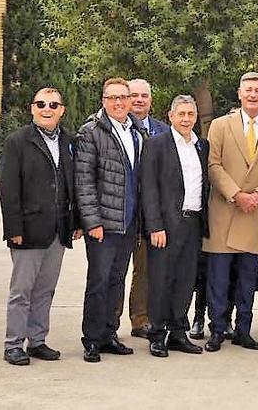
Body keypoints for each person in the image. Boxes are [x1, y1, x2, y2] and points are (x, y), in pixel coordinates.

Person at [203, 72, 258, 352]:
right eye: (248, 90)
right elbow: (213, 165)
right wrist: (236, 195)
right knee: (218, 278)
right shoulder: (219, 126)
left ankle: (244, 330)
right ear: (239, 93)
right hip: (224, 211)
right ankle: (216, 329)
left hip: (256, 212)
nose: (252, 95)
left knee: (248, 278)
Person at [0, 87, 81, 365]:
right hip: (28, 230)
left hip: (58, 230)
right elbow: (9, 190)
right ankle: (13, 344)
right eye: (41, 104)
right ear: (32, 108)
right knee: (21, 291)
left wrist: (76, 222)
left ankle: (37, 340)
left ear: (62, 110)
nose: (47, 109)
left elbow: (75, 185)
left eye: (53, 104)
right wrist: (14, 229)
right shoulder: (17, 142)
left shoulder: (70, 141)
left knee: (45, 290)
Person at [75, 77, 148, 362]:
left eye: (123, 97)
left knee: (117, 280)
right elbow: (84, 182)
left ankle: (109, 334)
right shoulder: (91, 132)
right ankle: (92, 339)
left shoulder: (137, 132)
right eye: (112, 98)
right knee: (98, 281)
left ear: (130, 100)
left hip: (128, 223)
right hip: (103, 224)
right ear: (104, 101)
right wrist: (92, 221)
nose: (118, 103)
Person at [139, 95, 209, 357]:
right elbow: (148, 188)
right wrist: (154, 225)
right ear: (170, 116)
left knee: (185, 280)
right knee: (161, 280)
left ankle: (179, 332)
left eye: (190, 114)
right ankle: (157, 333)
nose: (186, 119)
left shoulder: (201, 146)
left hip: (193, 222)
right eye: (181, 114)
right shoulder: (156, 145)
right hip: (166, 225)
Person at [121, 78, 169, 340]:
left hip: (150, 214)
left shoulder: (163, 131)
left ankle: (140, 319)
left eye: (144, 96)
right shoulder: (114, 129)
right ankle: (108, 324)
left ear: (151, 100)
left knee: (145, 270)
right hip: (120, 212)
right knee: (114, 272)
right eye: (134, 95)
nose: (139, 100)